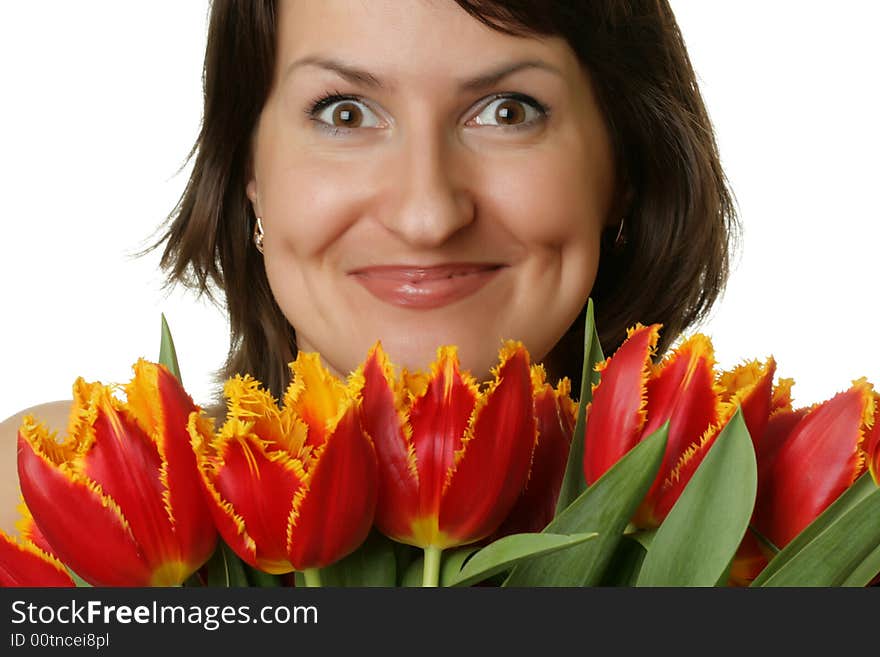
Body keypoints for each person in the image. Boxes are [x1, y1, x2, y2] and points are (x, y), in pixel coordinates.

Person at [0, 0, 735, 533]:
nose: (427, 215)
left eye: (508, 111)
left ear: (625, 168)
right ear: (249, 169)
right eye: (345, 112)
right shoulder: (57, 491)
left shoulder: (801, 540)